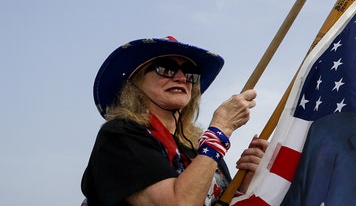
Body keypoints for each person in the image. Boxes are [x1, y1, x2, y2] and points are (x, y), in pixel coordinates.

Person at [81, 36, 269, 206]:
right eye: (166, 69)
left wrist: (244, 186)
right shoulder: (120, 135)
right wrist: (221, 129)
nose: (181, 78)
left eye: (190, 72)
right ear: (135, 83)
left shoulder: (201, 150)